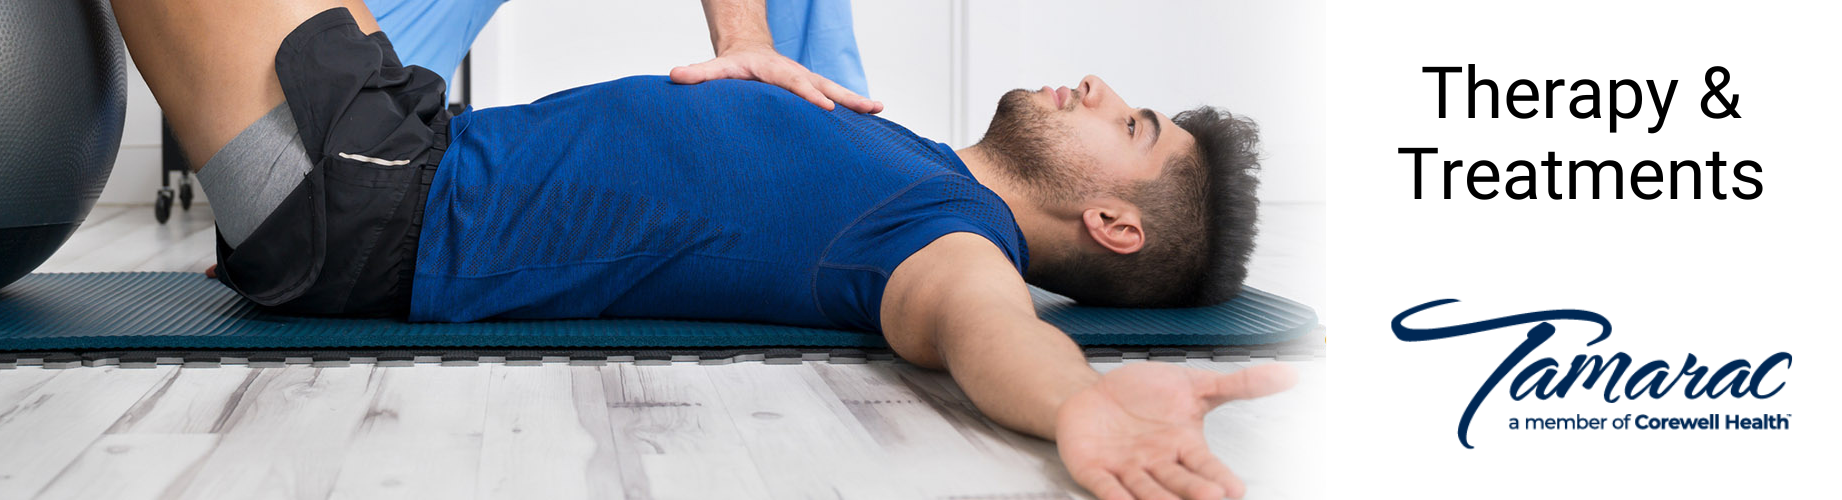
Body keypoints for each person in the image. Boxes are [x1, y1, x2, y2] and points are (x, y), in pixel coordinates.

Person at [109, 1, 1294, 499]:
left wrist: (1075, 404)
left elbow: (985, 331)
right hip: (402, 138)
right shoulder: (907, 155)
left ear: (1115, 225)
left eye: (1128, 125)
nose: (1097, 87)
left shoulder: (943, 241)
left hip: (370, 200)